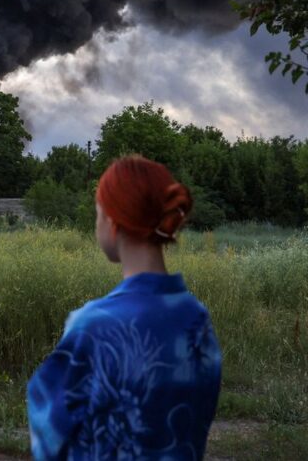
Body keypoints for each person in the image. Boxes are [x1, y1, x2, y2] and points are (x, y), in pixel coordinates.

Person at [27, 155, 222, 460]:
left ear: (112, 222)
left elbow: (50, 435)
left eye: (97, 213)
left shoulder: (93, 325)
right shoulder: (197, 320)